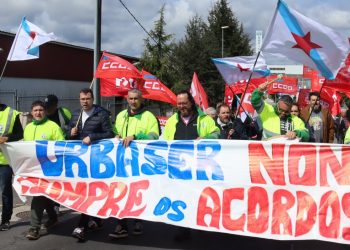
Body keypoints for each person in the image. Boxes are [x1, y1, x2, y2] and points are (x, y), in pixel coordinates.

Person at [163, 90, 219, 241]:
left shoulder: (204, 119)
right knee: (181, 198)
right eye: (179, 103)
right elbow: (165, 142)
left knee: (199, 197)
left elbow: (217, 133)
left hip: (199, 168)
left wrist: (206, 137)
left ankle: (202, 226)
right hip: (179, 169)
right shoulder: (172, 121)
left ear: (191, 102)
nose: (181, 106)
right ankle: (183, 229)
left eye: (184, 103)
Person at [109, 88, 159, 239]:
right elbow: (114, 131)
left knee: (138, 191)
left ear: (141, 99)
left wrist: (136, 136)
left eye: (136, 98)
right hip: (121, 161)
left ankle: (138, 220)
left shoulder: (149, 116)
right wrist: (115, 134)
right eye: (130, 99)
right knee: (121, 191)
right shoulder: (121, 116)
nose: (133, 101)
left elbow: (154, 136)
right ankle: (121, 224)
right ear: (127, 99)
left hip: (140, 162)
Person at [69, 88, 114, 241]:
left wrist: (92, 137)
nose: (85, 101)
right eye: (82, 99)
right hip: (80, 160)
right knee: (86, 191)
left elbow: (110, 134)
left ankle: (81, 226)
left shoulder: (101, 114)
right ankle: (97, 220)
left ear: (93, 99)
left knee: (90, 191)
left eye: (88, 99)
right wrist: (71, 131)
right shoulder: (75, 114)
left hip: (96, 159)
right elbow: (66, 132)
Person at [24, 101, 65, 240]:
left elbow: (61, 145)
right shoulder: (28, 127)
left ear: (45, 111)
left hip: (49, 170)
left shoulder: (53, 126)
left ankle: (34, 228)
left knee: (38, 196)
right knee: (44, 195)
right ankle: (53, 218)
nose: (38, 112)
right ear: (31, 112)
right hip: (34, 169)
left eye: (41, 110)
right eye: (35, 110)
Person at [0, 102, 23, 231]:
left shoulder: (11, 113)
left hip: (5, 161)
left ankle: (5, 220)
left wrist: (6, 138)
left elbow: (20, 134)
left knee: (5, 191)